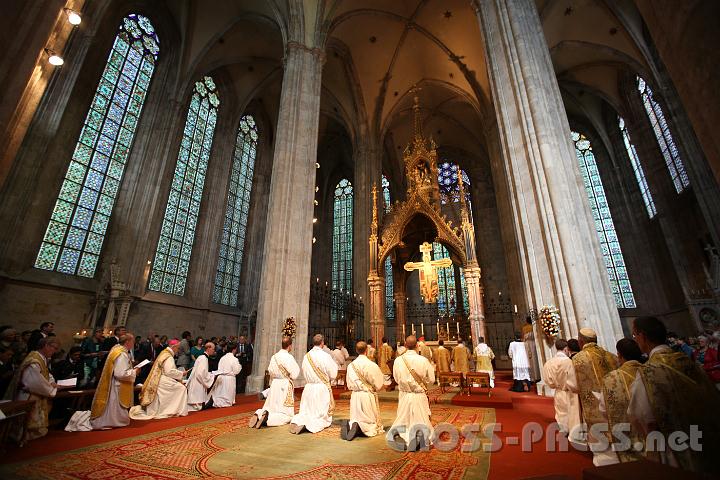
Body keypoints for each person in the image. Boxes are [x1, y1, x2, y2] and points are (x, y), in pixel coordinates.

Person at [628, 317, 720, 473]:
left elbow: (641, 415)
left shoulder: (649, 371)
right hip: (708, 439)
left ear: (643, 336)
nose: (635, 339)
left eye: (635, 335)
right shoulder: (689, 363)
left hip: (676, 447)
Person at [570, 327, 618, 466]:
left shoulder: (578, 359)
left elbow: (572, 385)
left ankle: (603, 466)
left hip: (594, 404)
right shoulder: (612, 356)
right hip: (614, 402)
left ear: (580, 341)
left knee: (601, 442)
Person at [3, 337, 61, 441]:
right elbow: (34, 381)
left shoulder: (41, 358)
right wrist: (51, 389)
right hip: (29, 394)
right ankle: (21, 436)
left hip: (36, 393)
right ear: (46, 345)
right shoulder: (34, 359)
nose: (55, 351)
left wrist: (52, 381)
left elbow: (46, 373)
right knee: (26, 419)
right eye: (54, 348)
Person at [600, 338, 643, 464]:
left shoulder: (611, 378)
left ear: (619, 354)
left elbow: (603, 409)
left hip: (628, 434)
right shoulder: (653, 371)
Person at [389, 335, 435, 451]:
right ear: (417, 346)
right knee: (421, 417)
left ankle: (404, 434)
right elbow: (432, 379)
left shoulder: (398, 360)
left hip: (404, 394)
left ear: (405, 345)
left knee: (404, 417)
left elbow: (395, 377)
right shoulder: (423, 360)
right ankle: (418, 435)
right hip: (419, 395)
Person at [88, 333, 139, 429]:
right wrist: (135, 371)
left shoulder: (116, 349)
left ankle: (109, 420)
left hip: (114, 383)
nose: (133, 344)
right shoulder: (121, 354)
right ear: (127, 342)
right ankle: (113, 421)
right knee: (114, 405)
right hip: (117, 385)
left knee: (111, 405)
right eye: (133, 341)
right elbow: (120, 373)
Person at [289, 334, 338, 434]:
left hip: (309, 388)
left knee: (306, 412)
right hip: (321, 389)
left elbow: (304, 371)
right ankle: (309, 425)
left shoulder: (306, 356)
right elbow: (333, 373)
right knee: (321, 418)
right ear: (322, 343)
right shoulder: (325, 356)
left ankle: (300, 421)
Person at [129, 339, 189, 420]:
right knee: (182, 389)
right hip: (164, 380)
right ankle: (172, 410)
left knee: (180, 388)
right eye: (177, 348)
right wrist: (182, 373)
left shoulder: (164, 353)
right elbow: (169, 371)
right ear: (173, 347)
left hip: (160, 379)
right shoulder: (168, 357)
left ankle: (169, 409)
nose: (178, 351)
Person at [251, 336, 300, 428]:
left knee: (272, 407)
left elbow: (270, 370)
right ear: (290, 346)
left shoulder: (274, 357)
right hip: (284, 385)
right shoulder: (289, 357)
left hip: (275, 384)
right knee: (286, 414)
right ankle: (269, 419)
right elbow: (295, 374)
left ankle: (258, 414)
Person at [342, 341, 384, 440]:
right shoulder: (371, 365)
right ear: (367, 350)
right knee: (369, 422)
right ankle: (363, 427)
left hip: (356, 395)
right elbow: (378, 382)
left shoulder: (351, 366)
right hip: (367, 395)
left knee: (356, 417)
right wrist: (376, 387)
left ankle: (354, 425)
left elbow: (348, 383)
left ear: (356, 351)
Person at [542, 339, 580, 436]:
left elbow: (548, 381)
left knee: (561, 413)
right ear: (566, 349)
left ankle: (564, 431)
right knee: (573, 414)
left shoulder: (548, 363)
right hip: (571, 392)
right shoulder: (570, 362)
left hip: (558, 391)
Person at [210, 341, 241, 408]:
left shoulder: (222, 358)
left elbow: (219, 368)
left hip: (221, 377)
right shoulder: (234, 359)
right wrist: (239, 366)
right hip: (229, 378)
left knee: (221, 393)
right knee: (227, 397)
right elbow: (236, 371)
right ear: (234, 349)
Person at [187, 342, 215, 411]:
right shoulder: (203, 358)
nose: (214, 351)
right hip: (198, 382)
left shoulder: (202, 357)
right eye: (213, 349)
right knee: (197, 405)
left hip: (197, 380)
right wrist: (210, 376)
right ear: (208, 348)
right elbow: (200, 374)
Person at [522, 316, 540, 381]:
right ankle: (537, 376)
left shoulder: (525, 328)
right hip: (534, 344)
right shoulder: (534, 327)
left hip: (527, 345)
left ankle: (531, 377)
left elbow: (524, 337)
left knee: (529, 361)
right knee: (535, 360)